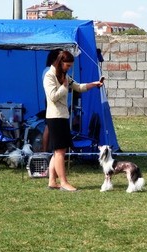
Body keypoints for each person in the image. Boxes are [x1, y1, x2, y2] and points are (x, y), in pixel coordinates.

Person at [43, 50, 103, 191]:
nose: (68, 68)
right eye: (67, 65)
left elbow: (78, 87)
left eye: (70, 66)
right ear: (60, 63)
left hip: (63, 116)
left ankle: (52, 181)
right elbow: (52, 96)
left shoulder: (64, 76)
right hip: (55, 117)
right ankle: (64, 183)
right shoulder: (49, 76)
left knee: (58, 151)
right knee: (60, 152)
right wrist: (64, 87)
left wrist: (94, 84)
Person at [42, 49, 62, 153]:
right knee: (49, 127)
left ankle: (50, 150)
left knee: (50, 127)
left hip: (55, 101)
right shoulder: (48, 72)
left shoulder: (51, 71)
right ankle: (45, 151)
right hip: (52, 101)